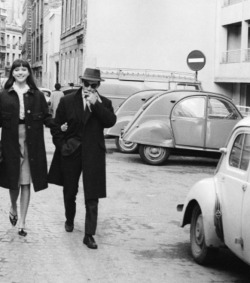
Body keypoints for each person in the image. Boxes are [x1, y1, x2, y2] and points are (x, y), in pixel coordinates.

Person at [48, 68, 116, 249]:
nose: (90, 88)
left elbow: (110, 121)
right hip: (72, 151)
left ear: (98, 85)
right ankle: (69, 218)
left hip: (94, 152)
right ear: (81, 82)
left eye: (94, 85)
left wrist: (96, 104)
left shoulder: (105, 103)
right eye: (87, 84)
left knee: (92, 195)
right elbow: (55, 127)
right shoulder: (67, 100)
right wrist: (62, 146)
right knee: (70, 191)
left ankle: (89, 234)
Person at [0, 59, 55, 237]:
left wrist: (61, 126)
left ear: (29, 72)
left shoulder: (37, 95)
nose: (21, 72)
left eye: (24, 69)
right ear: (12, 73)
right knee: (13, 181)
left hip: (31, 143)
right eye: (17, 70)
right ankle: (13, 206)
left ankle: (22, 221)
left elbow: (47, 118)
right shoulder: (4, 95)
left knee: (25, 182)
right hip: (11, 143)